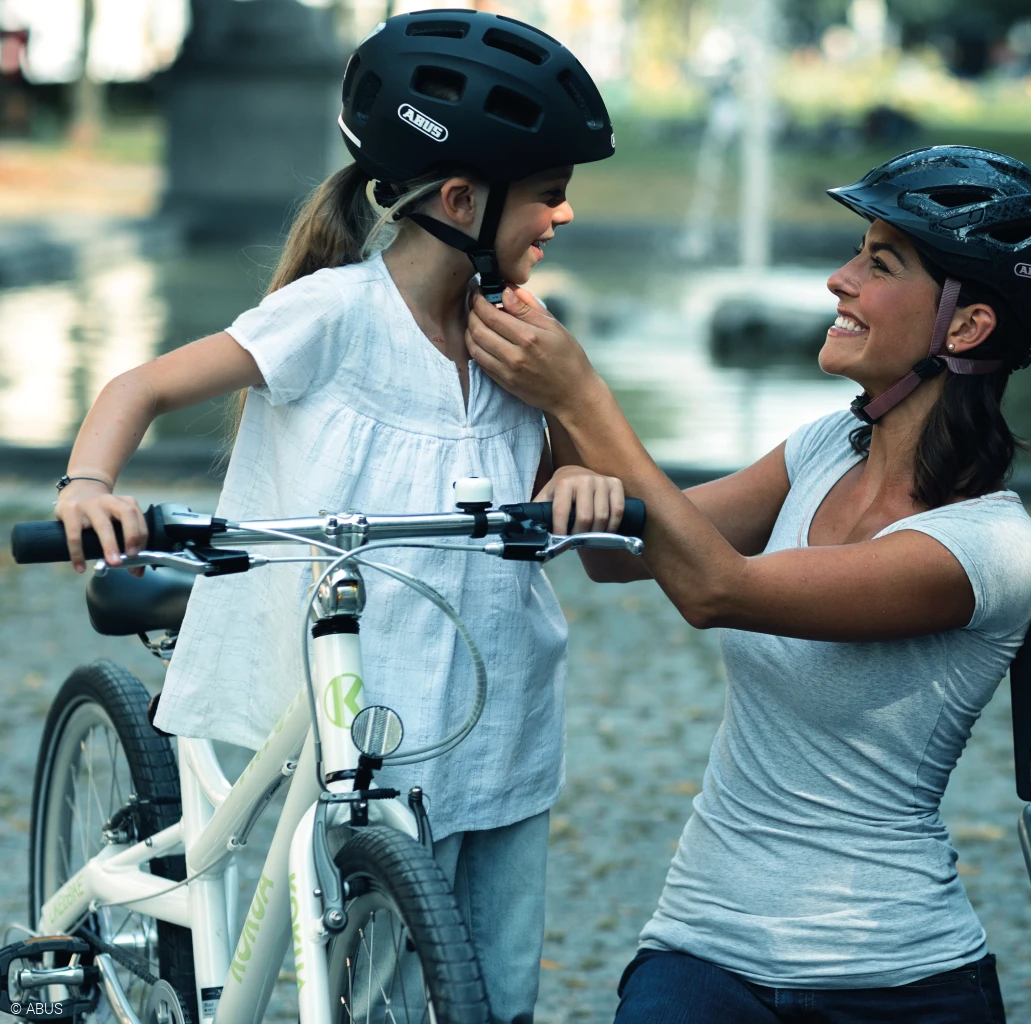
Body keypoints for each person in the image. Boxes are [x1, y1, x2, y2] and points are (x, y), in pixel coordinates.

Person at [50, 12, 620, 1023]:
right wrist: (89, 484)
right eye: (550, 194)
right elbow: (139, 387)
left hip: (500, 723)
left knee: (496, 990)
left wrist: (581, 483)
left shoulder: (522, 338)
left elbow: (577, 472)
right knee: (373, 978)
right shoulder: (334, 315)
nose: (566, 217)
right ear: (459, 198)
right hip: (354, 712)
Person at [462, 146, 1031, 1021]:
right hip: (703, 949)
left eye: (879, 264)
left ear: (967, 327)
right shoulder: (821, 449)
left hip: (899, 979)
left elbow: (715, 589)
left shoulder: (989, 548)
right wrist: (539, 385)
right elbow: (622, 551)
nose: (839, 280)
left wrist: (580, 392)